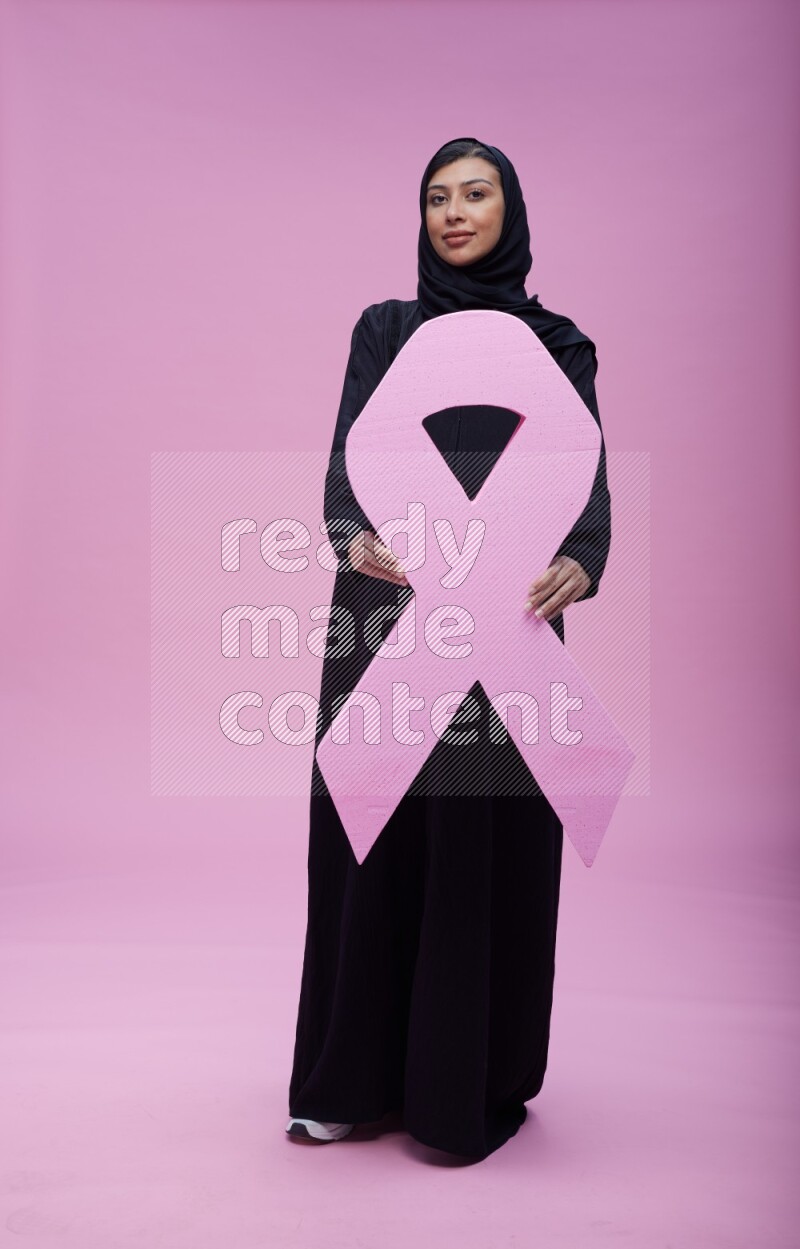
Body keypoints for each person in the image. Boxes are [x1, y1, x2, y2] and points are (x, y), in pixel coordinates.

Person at [285, 137, 611, 1159]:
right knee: (368, 834)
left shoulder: (557, 341)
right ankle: (345, 1080)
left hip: (507, 619)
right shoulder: (385, 329)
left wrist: (582, 554)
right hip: (389, 613)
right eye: (436, 197)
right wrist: (353, 534)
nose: (454, 212)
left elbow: (582, 470)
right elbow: (351, 455)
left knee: (479, 842)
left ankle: (458, 1087)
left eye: (475, 194)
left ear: (510, 210)